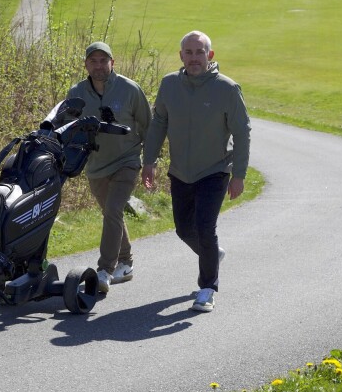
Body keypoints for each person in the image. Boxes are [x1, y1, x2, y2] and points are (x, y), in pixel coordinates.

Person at [142, 31, 251, 312]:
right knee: (183, 229)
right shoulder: (169, 85)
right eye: (188, 53)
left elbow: (242, 132)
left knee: (205, 227)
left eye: (199, 52)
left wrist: (238, 174)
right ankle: (212, 254)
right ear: (181, 56)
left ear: (210, 56)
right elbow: (158, 124)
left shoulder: (227, 89)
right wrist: (149, 161)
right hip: (180, 171)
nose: (193, 58)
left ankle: (207, 289)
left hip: (214, 170)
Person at [67, 41, 151, 293]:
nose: (99, 65)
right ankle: (126, 263)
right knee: (111, 214)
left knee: (114, 209)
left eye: (104, 60)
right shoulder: (76, 93)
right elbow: (69, 128)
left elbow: (148, 125)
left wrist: (150, 162)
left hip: (127, 160)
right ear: (86, 65)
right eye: (93, 61)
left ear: (112, 63)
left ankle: (105, 269)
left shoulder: (130, 89)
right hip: (95, 166)